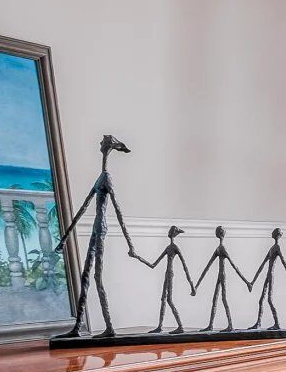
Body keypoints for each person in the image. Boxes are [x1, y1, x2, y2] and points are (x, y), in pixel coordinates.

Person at [56, 135, 138, 339]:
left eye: (102, 142)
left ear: (107, 146)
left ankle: (109, 327)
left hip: (100, 229)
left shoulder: (106, 177)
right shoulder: (101, 176)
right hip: (95, 228)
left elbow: (117, 210)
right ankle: (78, 326)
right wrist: (65, 238)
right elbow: (84, 207)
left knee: (96, 277)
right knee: (85, 276)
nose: (99, 143)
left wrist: (130, 244)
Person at [131, 226, 198, 334]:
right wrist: (137, 257)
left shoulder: (175, 247)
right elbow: (153, 265)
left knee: (169, 300)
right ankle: (160, 326)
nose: (170, 232)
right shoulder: (168, 248)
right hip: (167, 274)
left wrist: (192, 286)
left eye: (172, 231)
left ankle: (180, 326)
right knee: (163, 299)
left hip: (170, 274)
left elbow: (185, 266)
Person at [245, 228, 286, 330]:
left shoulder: (277, 247)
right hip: (267, 276)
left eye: (273, 232)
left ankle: (277, 324)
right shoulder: (272, 248)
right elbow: (262, 264)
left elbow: (285, 264)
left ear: (276, 235)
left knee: (269, 300)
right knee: (261, 300)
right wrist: (253, 281)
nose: (271, 233)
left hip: (271, 276)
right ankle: (258, 323)